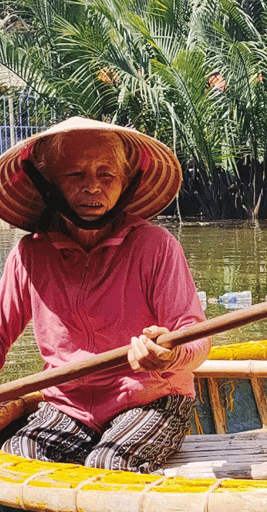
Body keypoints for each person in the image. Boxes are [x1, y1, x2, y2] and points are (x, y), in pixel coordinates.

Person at [0, 117, 211, 473]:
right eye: (75, 176)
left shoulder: (156, 247)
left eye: (106, 175)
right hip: (68, 403)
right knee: (19, 458)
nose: (93, 187)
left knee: (108, 463)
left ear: (125, 184)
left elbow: (197, 343)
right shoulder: (29, 255)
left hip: (152, 399)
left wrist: (169, 353)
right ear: (49, 184)